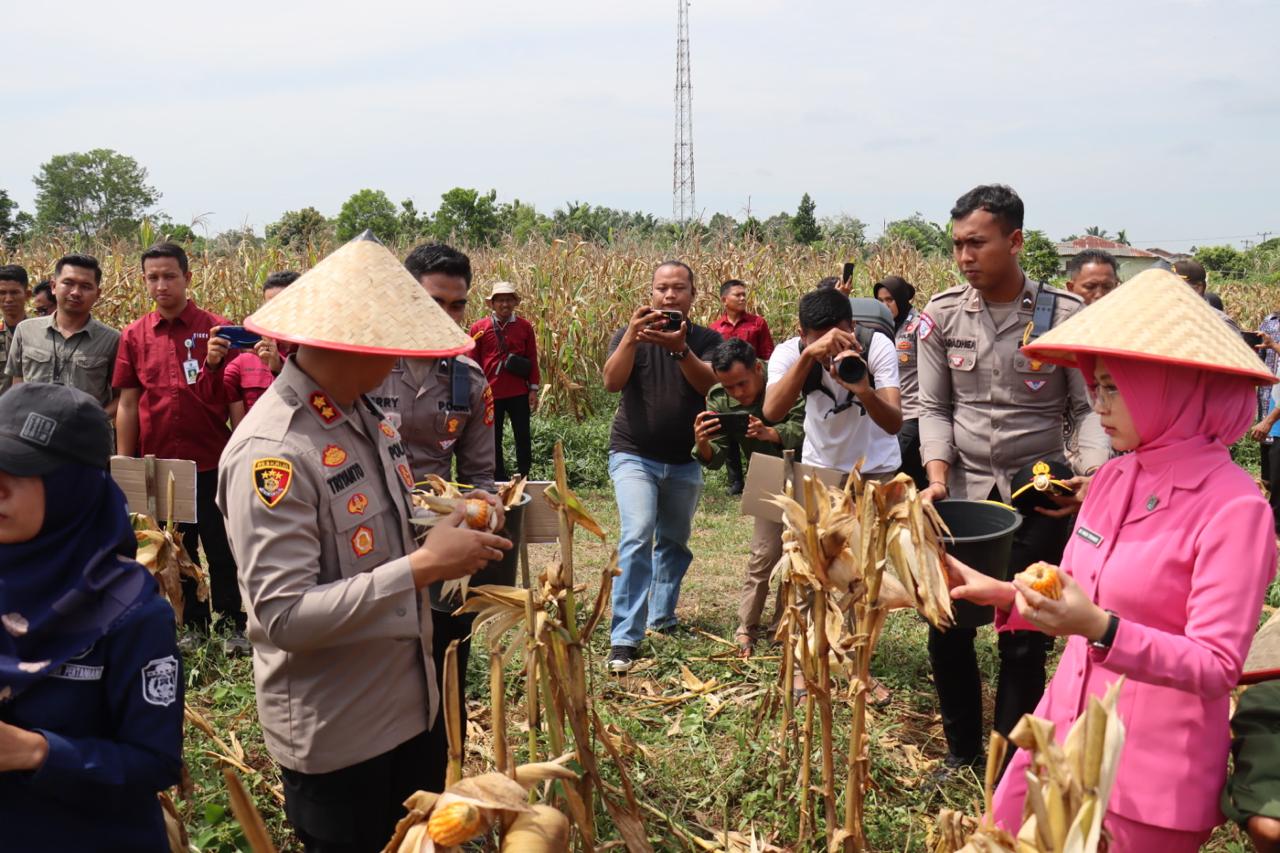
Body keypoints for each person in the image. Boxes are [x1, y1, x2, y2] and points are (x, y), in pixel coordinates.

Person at [950, 268, 1277, 851]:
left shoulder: (1235, 508)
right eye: (1094, 386)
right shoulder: (1113, 477)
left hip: (1147, 780)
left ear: (1167, 386)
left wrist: (1100, 629)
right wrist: (1000, 593)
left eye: (1112, 387)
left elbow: (1215, 667)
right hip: (1058, 739)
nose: (1095, 404)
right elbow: (1077, 593)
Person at [217, 233, 511, 852]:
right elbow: (283, 616)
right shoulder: (273, 452)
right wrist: (423, 567)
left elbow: (384, 528)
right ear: (359, 344)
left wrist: (449, 519)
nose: (411, 361)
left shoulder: (365, 417)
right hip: (341, 734)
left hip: (411, 706)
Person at [917, 184, 1109, 773]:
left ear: (1015, 240)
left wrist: (1088, 479)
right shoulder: (942, 315)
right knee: (948, 623)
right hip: (965, 498)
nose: (965, 256)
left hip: (1038, 496)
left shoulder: (1062, 317)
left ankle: (1008, 760)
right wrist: (936, 477)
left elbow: (1086, 410)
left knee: (1025, 630)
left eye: (977, 242)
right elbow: (935, 407)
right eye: (957, 245)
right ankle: (960, 752)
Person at [0, 383, 183, 851]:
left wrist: (35, 751)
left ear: (72, 487)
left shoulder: (129, 611)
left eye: (18, 469)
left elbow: (154, 761)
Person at [371, 241, 496, 741]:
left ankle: (447, 757)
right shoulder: (366, 367)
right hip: (373, 538)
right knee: (381, 662)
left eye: (457, 303)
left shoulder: (468, 379)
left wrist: (487, 506)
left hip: (441, 542)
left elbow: (481, 474)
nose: (447, 314)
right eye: (434, 301)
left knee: (447, 655)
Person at [112, 242, 246, 654]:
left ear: (188, 278)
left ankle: (232, 621)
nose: (161, 284)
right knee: (175, 545)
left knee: (221, 545)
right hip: (161, 464)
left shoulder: (219, 330)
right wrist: (126, 461)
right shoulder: (135, 335)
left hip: (211, 459)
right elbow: (129, 403)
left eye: (169, 275)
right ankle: (192, 623)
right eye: (153, 277)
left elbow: (240, 395)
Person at [602, 260, 722, 673]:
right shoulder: (630, 335)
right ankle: (624, 638)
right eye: (662, 289)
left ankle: (661, 617)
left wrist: (680, 348)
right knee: (637, 533)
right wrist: (632, 340)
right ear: (651, 293)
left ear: (693, 294)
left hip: (684, 459)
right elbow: (611, 383)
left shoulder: (706, 339)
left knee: (673, 541)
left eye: (678, 289)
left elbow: (711, 385)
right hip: (634, 453)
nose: (669, 296)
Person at [692, 338, 803, 656]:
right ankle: (746, 628)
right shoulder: (719, 398)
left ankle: (784, 625)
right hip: (767, 472)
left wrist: (775, 433)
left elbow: (810, 425)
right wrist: (703, 443)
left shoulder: (785, 379)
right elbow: (716, 456)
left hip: (808, 469)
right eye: (729, 387)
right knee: (764, 554)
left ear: (758, 368)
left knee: (798, 556)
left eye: (742, 383)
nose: (737, 393)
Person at [762, 287, 902, 476]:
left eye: (839, 339)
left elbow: (893, 424)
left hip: (877, 468)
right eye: (821, 344)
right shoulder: (789, 353)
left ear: (852, 327)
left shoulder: (876, 346)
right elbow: (772, 411)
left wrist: (865, 392)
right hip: (821, 470)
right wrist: (808, 356)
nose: (830, 350)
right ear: (802, 335)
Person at [5, 254, 120, 416]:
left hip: (85, 436)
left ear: (98, 293)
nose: (75, 292)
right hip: (32, 434)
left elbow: (121, 397)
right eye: (68, 283)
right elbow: (17, 383)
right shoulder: (25, 331)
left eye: (86, 286)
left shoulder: (112, 339)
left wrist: (95, 421)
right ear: (53, 286)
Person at [708, 279, 775, 495]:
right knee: (729, 433)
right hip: (728, 390)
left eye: (744, 294)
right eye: (737, 295)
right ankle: (735, 481)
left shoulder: (757, 323)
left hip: (756, 387)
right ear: (724, 300)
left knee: (756, 434)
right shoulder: (715, 328)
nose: (743, 298)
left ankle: (759, 476)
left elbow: (767, 353)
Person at [468, 281, 539, 481]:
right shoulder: (479, 328)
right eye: (500, 300)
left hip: (519, 392)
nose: (505, 304)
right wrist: (475, 392)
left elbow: (532, 358)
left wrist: (533, 389)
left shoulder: (524, 327)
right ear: (492, 304)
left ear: (515, 303)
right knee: (493, 438)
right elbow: (472, 360)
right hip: (490, 393)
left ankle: (524, 475)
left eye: (508, 300)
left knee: (523, 436)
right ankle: (498, 476)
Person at [874, 275, 925, 487]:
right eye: (880, 301)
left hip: (913, 411)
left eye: (890, 300)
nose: (885, 305)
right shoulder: (879, 327)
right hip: (887, 410)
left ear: (902, 299)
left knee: (897, 467)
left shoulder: (919, 326)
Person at [246, 270, 301, 378]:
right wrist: (213, 365)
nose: (275, 311)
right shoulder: (254, 347)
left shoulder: (317, 349)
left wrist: (279, 368)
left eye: (283, 304)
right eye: (270, 306)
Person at [0, 264, 30, 396]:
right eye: (2, 293)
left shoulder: (40, 334)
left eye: (14, 292)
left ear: (27, 294)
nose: (8, 299)